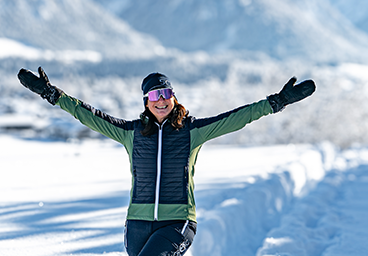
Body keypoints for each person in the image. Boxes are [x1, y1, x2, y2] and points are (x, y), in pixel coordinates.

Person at [17, 67, 315, 256]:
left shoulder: (191, 131)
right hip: (137, 224)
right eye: (155, 95)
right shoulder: (131, 133)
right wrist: (51, 94)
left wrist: (277, 101)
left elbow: (237, 118)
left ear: (173, 97)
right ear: (146, 101)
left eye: (166, 93)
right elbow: (88, 114)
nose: (162, 99)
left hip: (178, 221)